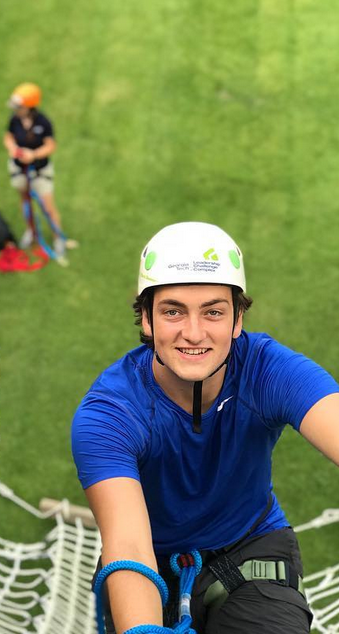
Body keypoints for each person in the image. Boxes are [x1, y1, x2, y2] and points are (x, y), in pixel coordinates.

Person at [71, 222, 339, 634]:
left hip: (251, 544)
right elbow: (128, 546)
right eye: (173, 311)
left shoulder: (269, 370)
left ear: (237, 320)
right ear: (146, 319)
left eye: (213, 311)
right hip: (151, 562)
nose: (193, 333)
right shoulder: (109, 413)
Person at [3, 82, 77, 266]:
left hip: (40, 171)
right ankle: (31, 231)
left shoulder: (43, 122)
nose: (16, 109)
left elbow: (51, 145)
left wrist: (33, 155)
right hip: (20, 171)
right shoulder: (14, 120)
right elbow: (8, 137)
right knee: (25, 201)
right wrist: (13, 149)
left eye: (19, 106)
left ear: (29, 106)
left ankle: (58, 237)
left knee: (48, 206)